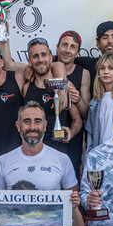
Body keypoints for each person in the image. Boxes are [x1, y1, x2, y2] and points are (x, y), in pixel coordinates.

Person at [20, 37, 83, 175]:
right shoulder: (26, 87)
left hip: (59, 157)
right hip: (32, 158)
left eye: (44, 55)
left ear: (50, 57)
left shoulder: (64, 86)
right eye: (35, 56)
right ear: (29, 62)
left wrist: (70, 133)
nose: (40, 59)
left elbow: (77, 118)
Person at [54, 30, 91, 122]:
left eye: (72, 47)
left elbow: (88, 115)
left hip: (74, 133)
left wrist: (78, 100)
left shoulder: (84, 74)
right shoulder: (46, 68)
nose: (67, 50)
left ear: (77, 52)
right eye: (65, 45)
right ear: (57, 47)